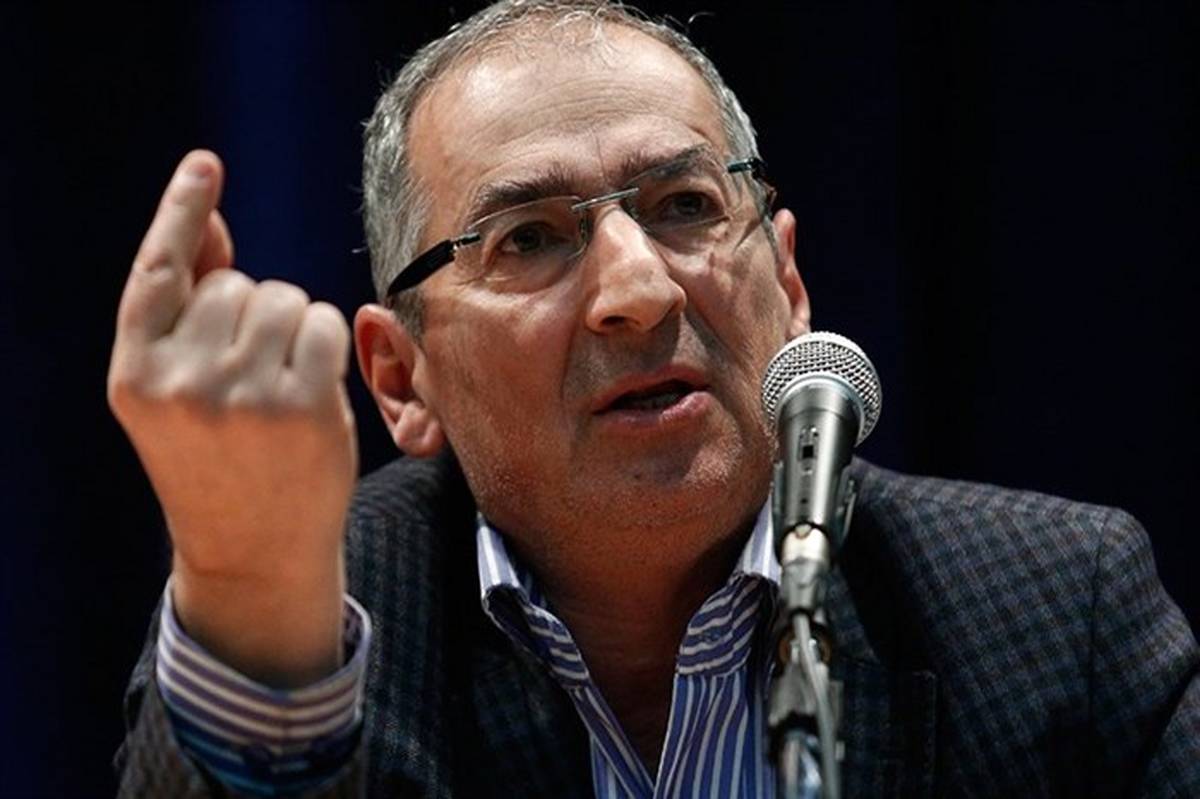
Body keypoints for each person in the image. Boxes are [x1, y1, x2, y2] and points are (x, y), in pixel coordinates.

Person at [109, 1, 1198, 796]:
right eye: (529, 238)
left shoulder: (1054, 610)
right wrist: (247, 593)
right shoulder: (313, 617)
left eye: (684, 205)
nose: (638, 289)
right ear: (403, 376)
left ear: (789, 288)